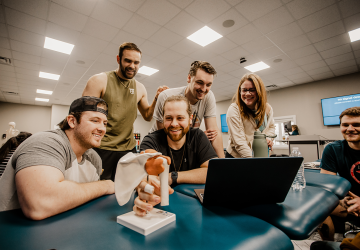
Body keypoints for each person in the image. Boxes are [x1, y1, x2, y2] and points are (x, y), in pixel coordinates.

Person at [0, 97, 115, 220]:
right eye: (95, 120)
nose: (102, 129)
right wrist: (106, 185)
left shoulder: (94, 158)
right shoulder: (45, 142)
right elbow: (39, 205)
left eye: (105, 123)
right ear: (72, 121)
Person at [82, 42, 168, 181]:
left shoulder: (140, 88)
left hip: (128, 149)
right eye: (128, 60)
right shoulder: (99, 81)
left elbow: (147, 116)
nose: (132, 66)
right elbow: (84, 117)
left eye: (136, 62)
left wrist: (156, 99)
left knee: (129, 190)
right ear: (118, 59)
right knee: (99, 191)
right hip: (102, 148)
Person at [149, 60, 225, 158]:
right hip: (161, 141)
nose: (203, 89)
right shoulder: (165, 96)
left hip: (185, 144)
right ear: (189, 78)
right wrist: (196, 138)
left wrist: (223, 165)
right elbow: (167, 134)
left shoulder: (208, 96)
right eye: (199, 82)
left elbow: (214, 133)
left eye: (208, 85)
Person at [141, 95, 218, 187]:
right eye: (169, 118)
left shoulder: (198, 136)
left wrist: (173, 177)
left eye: (180, 118)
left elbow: (214, 172)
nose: (174, 124)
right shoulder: (151, 141)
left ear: (190, 119)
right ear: (163, 118)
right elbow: (141, 176)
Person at [319, 106, 360, 241]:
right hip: (348, 202)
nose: (349, 129)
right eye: (345, 125)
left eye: (356, 125)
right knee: (319, 206)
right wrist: (343, 201)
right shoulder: (333, 149)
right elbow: (327, 186)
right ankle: (329, 245)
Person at [225, 73, 275, 158]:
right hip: (237, 158)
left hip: (258, 156)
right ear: (240, 91)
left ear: (259, 91)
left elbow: (271, 127)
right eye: (244, 90)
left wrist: (268, 138)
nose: (247, 94)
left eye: (252, 90)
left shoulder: (267, 108)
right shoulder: (234, 109)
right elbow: (240, 143)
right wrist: (254, 163)